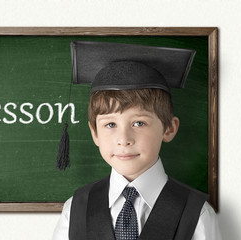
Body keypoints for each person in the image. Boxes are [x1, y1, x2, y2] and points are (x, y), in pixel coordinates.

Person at [53, 41, 222, 240]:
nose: (124, 139)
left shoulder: (197, 213)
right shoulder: (75, 210)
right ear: (95, 133)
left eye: (139, 123)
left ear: (169, 129)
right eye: (110, 125)